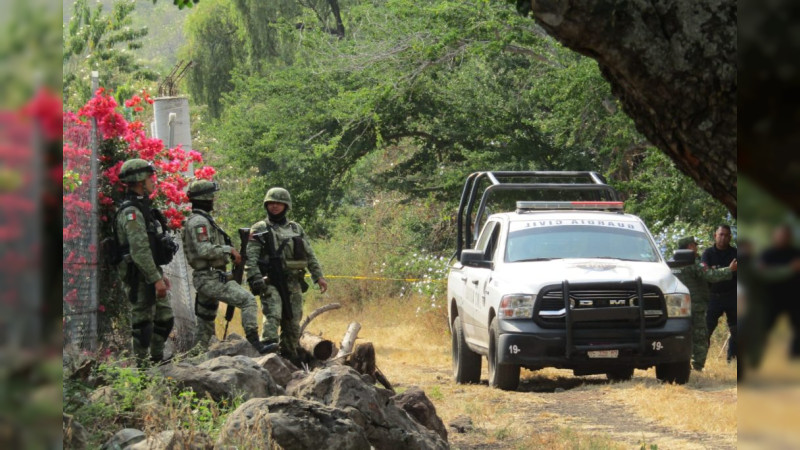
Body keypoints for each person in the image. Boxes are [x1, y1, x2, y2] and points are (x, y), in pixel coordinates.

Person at [182, 180, 277, 355]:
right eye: (212, 197)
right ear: (206, 198)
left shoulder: (203, 220)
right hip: (208, 278)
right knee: (247, 300)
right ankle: (255, 344)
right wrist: (229, 251)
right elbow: (204, 250)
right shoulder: (199, 223)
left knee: (205, 323)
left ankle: (197, 359)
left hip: (212, 276)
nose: (213, 200)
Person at [245, 187, 328, 360]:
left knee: (293, 321)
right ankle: (267, 354)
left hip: (293, 282)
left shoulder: (296, 228)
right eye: (271, 203)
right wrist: (255, 278)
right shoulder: (260, 228)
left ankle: (289, 357)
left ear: (286, 205)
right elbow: (250, 256)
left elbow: (309, 254)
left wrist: (318, 276)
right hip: (271, 281)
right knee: (273, 314)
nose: (274, 206)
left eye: (279, 203)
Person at [114, 158, 175, 366]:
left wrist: (159, 275)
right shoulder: (131, 212)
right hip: (138, 276)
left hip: (149, 272)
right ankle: (142, 370)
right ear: (140, 180)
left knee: (165, 318)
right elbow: (139, 250)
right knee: (142, 325)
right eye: (150, 178)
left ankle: (157, 360)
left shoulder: (142, 207)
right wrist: (155, 278)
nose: (153, 181)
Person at [672, 236, 736, 371]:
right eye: (695, 245)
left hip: (677, 307)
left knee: (679, 335)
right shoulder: (694, 264)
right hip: (696, 306)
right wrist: (729, 269)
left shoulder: (672, 264)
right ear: (690, 247)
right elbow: (711, 275)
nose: (696, 247)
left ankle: (678, 365)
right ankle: (697, 367)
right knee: (700, 337)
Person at [758, 224, 800, 359]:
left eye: (785, 235)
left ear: (790, 237)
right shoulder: (767, 254)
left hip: (794, 297)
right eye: (780, 235)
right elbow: (763, 274)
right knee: (764, 326)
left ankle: (795, 355)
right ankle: (757, 354)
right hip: (772, 298)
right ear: (775, 237)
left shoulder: (796, 253)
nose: (783, 238)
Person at [701, 224, 738, 362]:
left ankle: (732, 362)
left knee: (737, 331)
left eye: (726, 235)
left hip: (732, 295)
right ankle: (699, 363)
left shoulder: (735, 253)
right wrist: (729, 270)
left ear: (730, 237)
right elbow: (706, 274)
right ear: (715, 236)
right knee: (705, 331)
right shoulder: (707, 254)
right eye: (720, 234)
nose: (723, 238)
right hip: (713, 296)